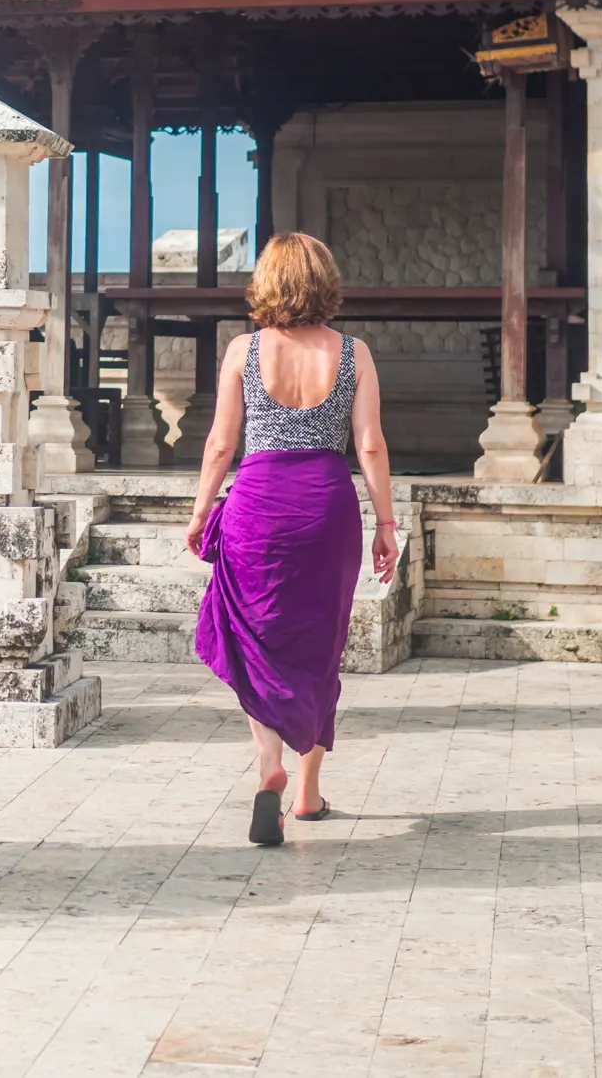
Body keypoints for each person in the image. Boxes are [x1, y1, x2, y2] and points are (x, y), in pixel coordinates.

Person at [185, 232, 397, 847]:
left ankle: (269, 768)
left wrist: (201, 512)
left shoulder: (244, 351)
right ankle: (307, 793)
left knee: (259, 640)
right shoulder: (353, 353)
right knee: (318, 643)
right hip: (326, 509)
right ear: (325, 281)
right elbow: (371, 446)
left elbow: (221, 444)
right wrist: (386, 524)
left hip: (255, 506)